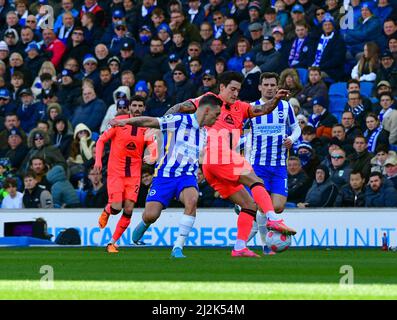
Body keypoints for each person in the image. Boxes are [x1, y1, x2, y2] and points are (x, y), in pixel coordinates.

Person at [160, 71, 296, 257]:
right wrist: (165, 121)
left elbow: (262, 110)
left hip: (215, 165)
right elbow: (181, 107)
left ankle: (240, 246)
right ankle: (272, 218)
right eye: (232, 89)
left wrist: (276, 100)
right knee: (256, 181)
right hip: (217, 154)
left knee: (249, 205)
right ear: (222, 87)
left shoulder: (240, 107)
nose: (235, 93)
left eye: (238, 90)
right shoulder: (209, 100)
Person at [111, 94, 222, 258]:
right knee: (151, 215)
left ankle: (178, 247)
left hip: (187, 176)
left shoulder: (206, 133)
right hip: (164, 176)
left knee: (192, 200)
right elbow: (150, 121)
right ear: (206, 110)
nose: (217, 118)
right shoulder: (179, 120)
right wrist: (125, 122)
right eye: (216, 114)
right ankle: (145, 222)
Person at [242, 72, 301, 254]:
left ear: (277, 86)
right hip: (258, 165)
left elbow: (296, 127)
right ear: (260, 87)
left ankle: (246, 235)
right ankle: (265, 245)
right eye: (266, 85)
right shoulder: (251, 108)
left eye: (272, 85)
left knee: (278, 207)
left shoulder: (285, 106)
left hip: (279, 166)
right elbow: (239, 131)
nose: (269, 88)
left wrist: (291, 138)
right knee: (262, 206)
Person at [95, 95, 156, 253]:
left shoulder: (147, 127)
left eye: (140, 106)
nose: (137, 109)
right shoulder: (119, 122)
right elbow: (101, 140)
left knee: (128, 209)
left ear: (143, 108)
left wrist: (152, 156)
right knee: (116, 207)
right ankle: (108, 210)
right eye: (134, 105)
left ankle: (112, 243)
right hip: (116, 173)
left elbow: (153, 147)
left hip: (134, 175)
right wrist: (98, 161)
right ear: (129, 108)